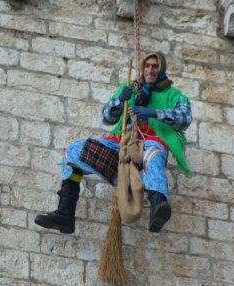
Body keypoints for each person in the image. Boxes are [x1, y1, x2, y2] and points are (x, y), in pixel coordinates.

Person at [35, 51, 192, 234]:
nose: (150, 70)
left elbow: (185, 118)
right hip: (120, 144)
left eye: (155, 66)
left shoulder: (174, 95)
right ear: (142, 68)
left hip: (151, 143)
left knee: (153, 155)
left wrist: (153, 113)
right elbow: (107, 117)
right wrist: (120, 100)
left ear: (162, 69)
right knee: (73, 152)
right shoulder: (130, 88)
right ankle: (65, 214)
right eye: (147, 66)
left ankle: (159, 207)